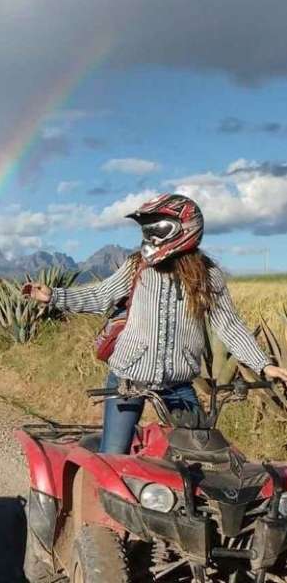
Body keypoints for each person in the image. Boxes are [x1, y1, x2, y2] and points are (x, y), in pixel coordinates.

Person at [22, 193, 287, 454]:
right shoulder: (137, 266)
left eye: (159, 227)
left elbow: (228, 325)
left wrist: (263, 365)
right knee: (114, 454)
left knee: (200, 454)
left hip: (178, 384)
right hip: (128, 378)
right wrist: (54, 296)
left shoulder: (208, 276)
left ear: (186, 228)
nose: (151, 236)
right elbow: (101, 296)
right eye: (148, 229)